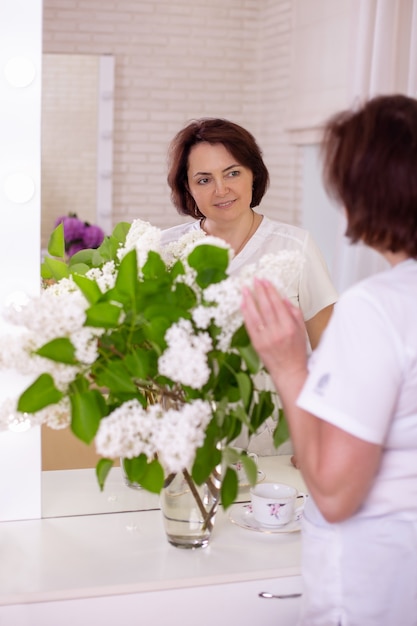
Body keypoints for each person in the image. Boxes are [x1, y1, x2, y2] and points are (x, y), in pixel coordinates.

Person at [241, 94, 417, 625]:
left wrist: (290, 366)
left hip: (380, 582)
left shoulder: (377, 308)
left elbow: (337, 494)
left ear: (362, 196)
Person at [161, 118, 338, 455]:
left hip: (276, 438)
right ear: (188, 188)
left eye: (232, 173)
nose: (221, 190)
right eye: (204, 179)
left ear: (253, 173)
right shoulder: (164, 250)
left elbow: (330, 356)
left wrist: (318, 439)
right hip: (189, 439)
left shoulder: (295, 246)